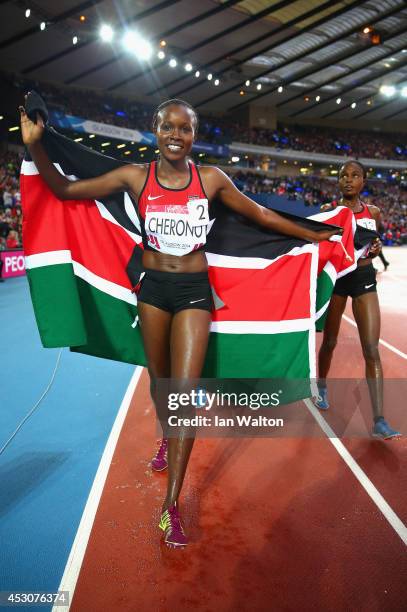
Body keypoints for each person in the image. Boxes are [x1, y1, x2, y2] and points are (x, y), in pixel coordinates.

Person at [20, 97, 339, 547]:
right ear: (155, 129)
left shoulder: (211, 179)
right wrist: (35, 146)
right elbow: (66, 191)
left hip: (193, 293)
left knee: (183, 394)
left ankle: (171, 504)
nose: (176, 135)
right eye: (168, 127)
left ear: (194, 134)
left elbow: (262, 215)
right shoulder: (136, 176)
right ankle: (166, 440)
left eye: (185, 129)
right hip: (152, 292)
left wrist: (317, 233)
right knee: (160, 379)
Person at [314, 160, 400, 440]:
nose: (348, 180)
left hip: (364, 279)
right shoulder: (330, 211)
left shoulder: (373, 212)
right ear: (338, 182)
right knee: (329, 341)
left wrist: (375, 249)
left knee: (372, 349)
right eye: (343, 176)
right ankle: (322, 385)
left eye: (354, 176)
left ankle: (379, 420)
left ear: (364, 181)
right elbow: (318, 245)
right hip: (338, 281)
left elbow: (375, 244)